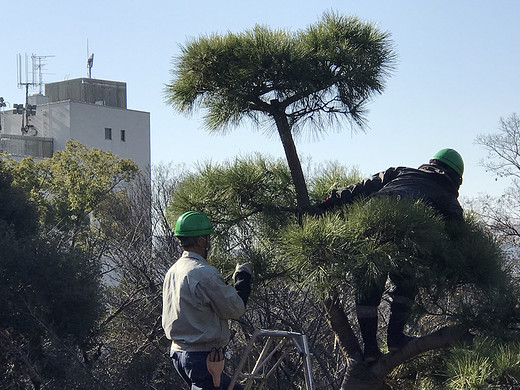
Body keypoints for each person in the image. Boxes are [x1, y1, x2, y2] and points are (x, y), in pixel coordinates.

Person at [317, 148, 464, 362]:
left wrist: (327, 203)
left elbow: (360, 188)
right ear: (456, 178)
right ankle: (395, 337)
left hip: (367, 224)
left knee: (368, 286)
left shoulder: (401, 172)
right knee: (408, 280)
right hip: (403, 236)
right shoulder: (447, 196)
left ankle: (370, 350)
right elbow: (460, 240)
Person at [162, 211, 252, 389]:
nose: (209, 242)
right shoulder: (203, 272)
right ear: (202, 241)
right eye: (208, 238)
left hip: (179, 353)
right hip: (202, 357)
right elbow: (235, 309)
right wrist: (242, 279)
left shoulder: (173, 271)